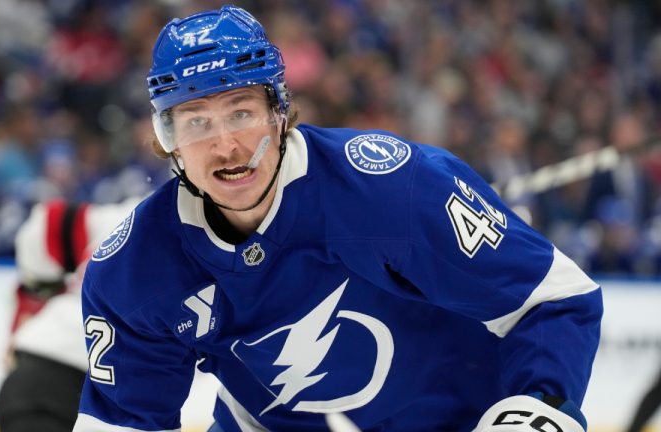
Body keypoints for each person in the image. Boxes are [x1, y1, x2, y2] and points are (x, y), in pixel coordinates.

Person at [73, 5, 603, 432]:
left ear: (280, 113)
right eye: (196, 122)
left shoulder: (394, 189)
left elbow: (554, 299)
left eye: (241, 112)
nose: (225, 145)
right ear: (169, 142)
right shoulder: (133, 271)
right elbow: (123, 422)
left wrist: (537, 408)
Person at [0, 198, 138, 432]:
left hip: (43, 379)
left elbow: (46, 224)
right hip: (62, 387)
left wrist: (34, 304)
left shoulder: (136, 211)